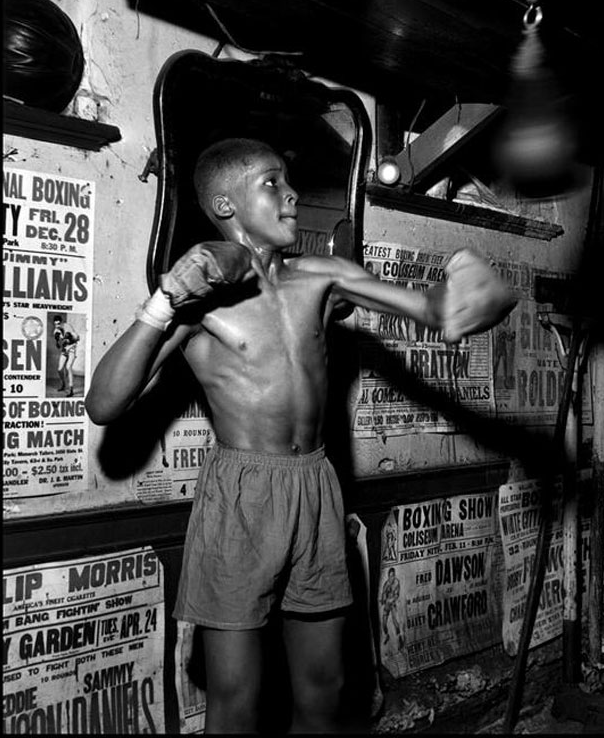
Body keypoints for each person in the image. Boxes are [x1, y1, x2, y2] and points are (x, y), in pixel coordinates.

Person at [85, 137, 516, 734]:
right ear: (225, 204)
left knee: (324, 687)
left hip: (315, 483)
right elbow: (105, 403)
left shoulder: (322, 277)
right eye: (271, 183)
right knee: (236, 699)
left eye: (288, 180)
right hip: (242, 493)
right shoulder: (200, 302)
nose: (290, 194)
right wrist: (164, 301)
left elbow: (437, 311)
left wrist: (473, 295)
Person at [53, 314, 79, 397]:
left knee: (68, 367)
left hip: (71, 349)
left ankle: (71, 389)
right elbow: (60, 344)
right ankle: (63, 384)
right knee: (60, 369)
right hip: (64, 350)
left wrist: (69, 345)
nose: (57, 325)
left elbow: (77, 339)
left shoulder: (68, 326)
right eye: (56, 324)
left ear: (62, 322)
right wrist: (58, 341)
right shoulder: (56, 331)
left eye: (59, 323)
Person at [380, 567, 404, 649]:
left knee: (395, 621)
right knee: (383, 622)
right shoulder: (386, 584)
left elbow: (397, 595)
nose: (391, 578)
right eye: (390, 576)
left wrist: (391, 599)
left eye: (393, 576)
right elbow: (383, 594)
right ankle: (387, 635)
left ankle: (399, 638)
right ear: (388, 576)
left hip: (393, 604)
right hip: (387, 604)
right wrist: (384, 600)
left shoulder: (397, 582)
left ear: (394, 575)